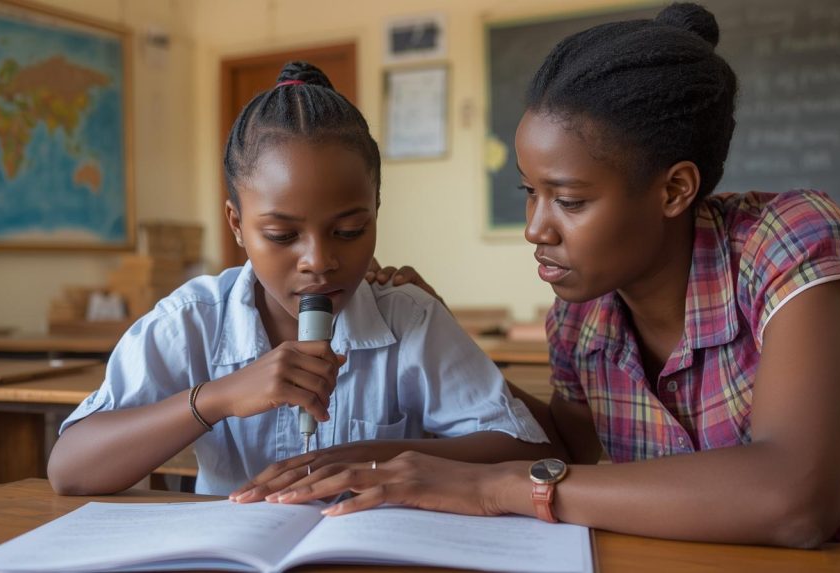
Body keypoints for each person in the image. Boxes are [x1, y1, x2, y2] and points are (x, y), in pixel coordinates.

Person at [253, 5, 840, 571]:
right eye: (529, 193)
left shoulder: (787, 242)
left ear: (674, 189)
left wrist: (490, 487)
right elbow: (567, 449)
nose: (534, 229)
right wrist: (450, 344)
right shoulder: (583, 319)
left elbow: (794, 499)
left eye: (569, 201)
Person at [47, 62, 550, 498]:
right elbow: (70, 469)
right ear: (237, 226)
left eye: (349, 231)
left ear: (376, 212)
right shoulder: (193, 321)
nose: (319, 260)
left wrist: (369, 456)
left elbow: (527, 448)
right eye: (282, 234)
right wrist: (218, 397)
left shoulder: (410, 318)